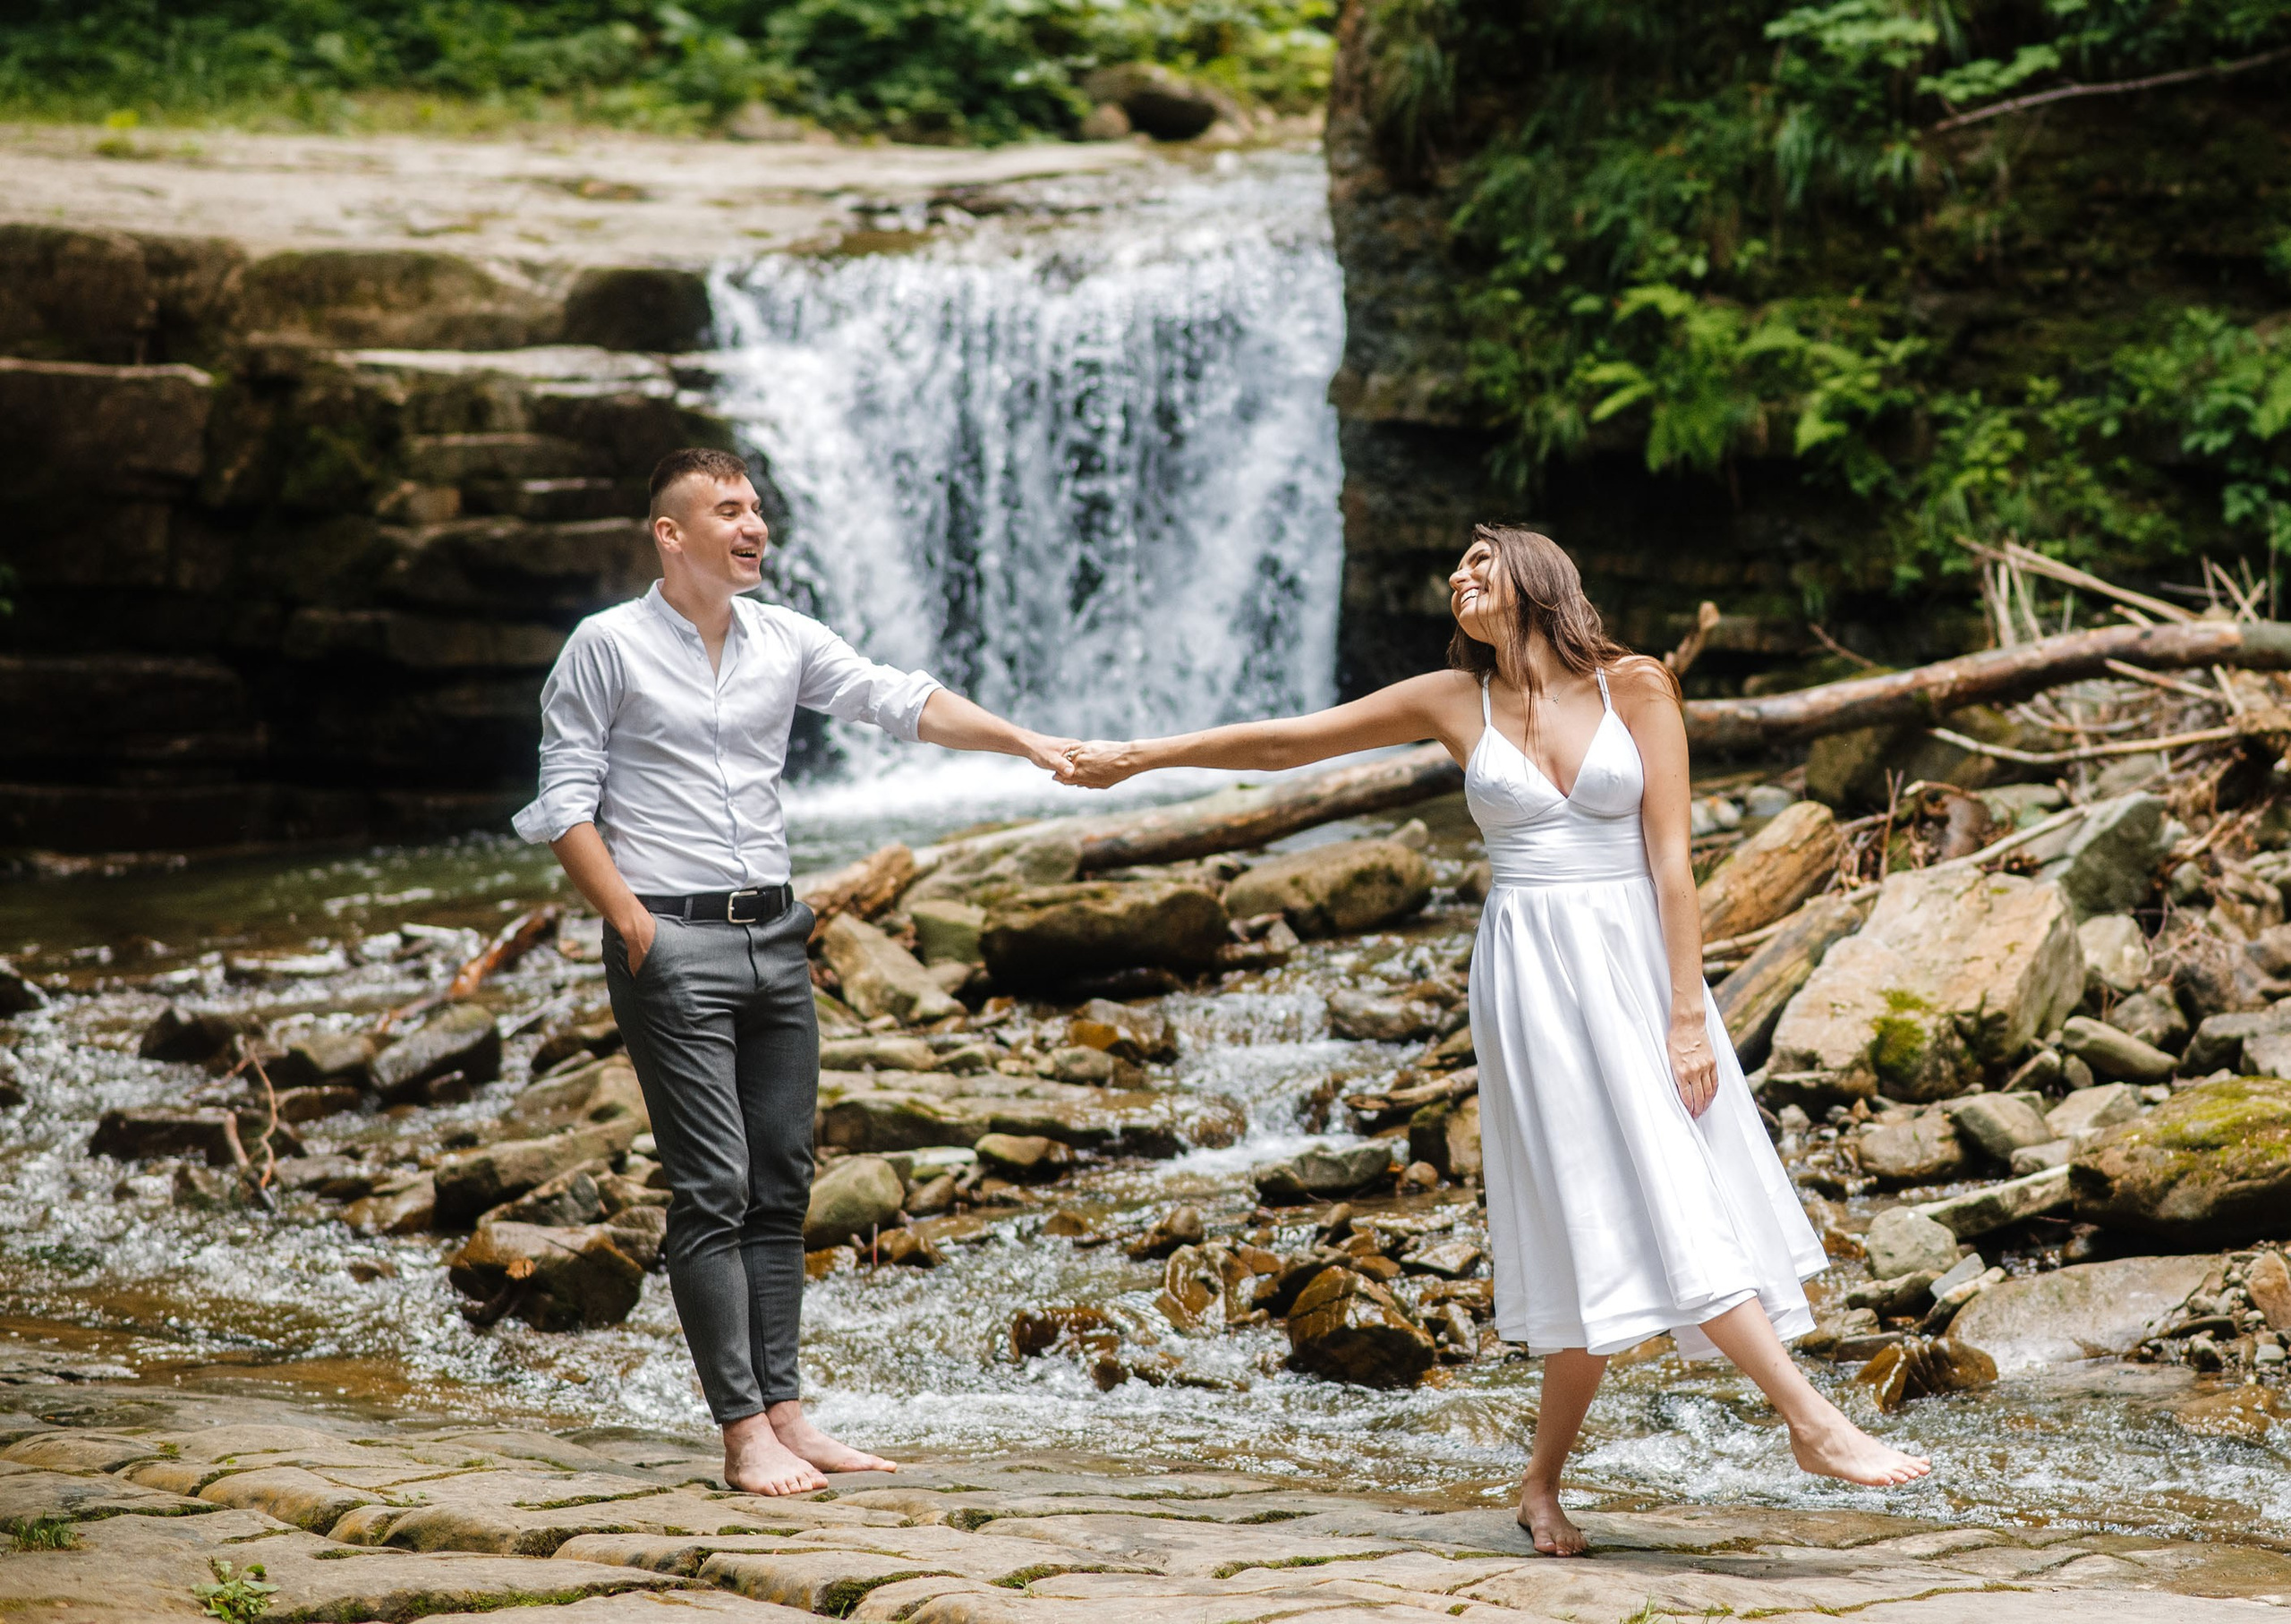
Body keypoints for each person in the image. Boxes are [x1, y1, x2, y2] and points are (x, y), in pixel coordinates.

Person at [1057, 523, 1929, 1552]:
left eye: (1482, 563)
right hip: (1527, 980)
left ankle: (1789, 1427)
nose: (1461, 579)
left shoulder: (1635, 686)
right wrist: (1141, 758)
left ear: (1538, 576)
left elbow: (1673, 864)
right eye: (1455, 571)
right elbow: (1293, 740)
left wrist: (1689, 1012)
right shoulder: (1448, 698)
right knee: (1592, 1219)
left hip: (1635, 968)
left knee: (1668, 1186)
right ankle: (1702, 1447)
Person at [514, 446, 1075, 1496]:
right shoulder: (607, 647)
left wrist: (1022, 740)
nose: (753, 524)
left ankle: (787, 1414)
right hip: (670, 941)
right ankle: (739, 1435)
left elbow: (895, 700)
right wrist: (632, 924)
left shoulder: (783, 640)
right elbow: (564, 802)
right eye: (728, 510)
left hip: (776, 937)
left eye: (758, 508)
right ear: (670, 535)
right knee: (713, 1187)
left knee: (780, 1186)